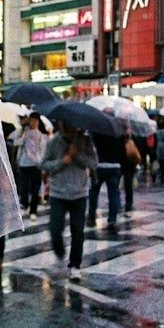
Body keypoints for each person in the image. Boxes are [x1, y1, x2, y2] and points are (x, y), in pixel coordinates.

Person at [41, 120, 98, 281]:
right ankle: (59, 250)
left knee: (77, 230)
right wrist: (63, 161)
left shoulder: (85, 140)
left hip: (79, 193)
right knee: (55, 228)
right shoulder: (53, 142)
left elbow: (93, 163)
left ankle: (75, 265)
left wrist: (77, 155)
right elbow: (43, 164)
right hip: (58, 193)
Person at [87, 129, 124, 233]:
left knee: (94, 192)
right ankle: (112, 219)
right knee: (113, 194)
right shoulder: (118, 132)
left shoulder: (98, 131)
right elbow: (122, 151)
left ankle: (91, 216)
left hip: (100, 166)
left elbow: (93, 147)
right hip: (114, 166)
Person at [15, 113, 48, 221]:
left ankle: (33, 210)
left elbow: (43, 151)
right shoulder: (25, 132)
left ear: (38, 122)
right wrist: (22, 133)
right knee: (24, 186)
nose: (32, 123)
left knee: (35, 189)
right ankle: (25, 204)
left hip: (36, 165)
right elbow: (16, 143)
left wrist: (42, 165)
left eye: (35, 121)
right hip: (24, 164)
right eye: (31, 120)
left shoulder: (42, 135)